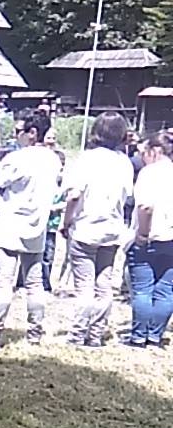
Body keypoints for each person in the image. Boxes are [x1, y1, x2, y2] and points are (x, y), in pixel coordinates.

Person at [0, 110, 59, 349]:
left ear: (32, 133)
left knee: (4, 284)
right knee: (34, 284)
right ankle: (35, 333)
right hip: (37, 226)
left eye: (18, 131)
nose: (15, 135)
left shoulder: (16, 159)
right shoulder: (53, 159)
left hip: (10, 225)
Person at [60, 113, 133, 348]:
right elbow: (128, 196)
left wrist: (66, 222)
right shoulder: (124, 162)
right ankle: (96, 333)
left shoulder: (87, 159)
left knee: (84, 287)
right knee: (104, 285)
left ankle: (77, 333)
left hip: (85, 227)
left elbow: (74, 195)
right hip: (112, 229)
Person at [126, 132, 173, 348]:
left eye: (144, 152)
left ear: (155, 151)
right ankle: (155, 335)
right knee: (166, 290)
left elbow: (145, 206)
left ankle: (138, 337)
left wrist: (142, 234)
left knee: (143, 289)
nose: (142, 156)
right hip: (170, 238)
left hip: (150, 237)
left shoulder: (149, 173)